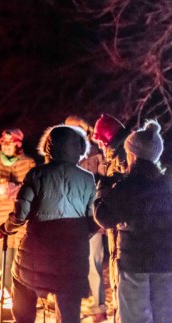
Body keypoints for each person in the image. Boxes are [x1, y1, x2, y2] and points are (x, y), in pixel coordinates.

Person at [0, 124, 96, 323]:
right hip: (72, 256)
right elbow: (92, 219)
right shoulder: (87, 179)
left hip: (37, 252)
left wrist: (5, 228)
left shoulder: (36, 174)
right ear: (78, 149)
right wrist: (77, 234)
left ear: (49, 147)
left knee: (22, 285)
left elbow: (20, 215)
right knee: (69, 310)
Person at [94, 120, 172, 323]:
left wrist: (102, 191)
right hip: (164, 262)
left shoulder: (127, 186)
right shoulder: (170, 187)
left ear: (132, 154)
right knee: (164, 317)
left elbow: (104, 217)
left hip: (133, 262)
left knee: (136, 317)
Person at [0, 128, 35, 294]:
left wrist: (18, 190)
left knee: (19, 261)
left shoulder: (28, 163)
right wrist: (1, 192)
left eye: (10, 143)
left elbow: (33, 189)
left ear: (17, 145)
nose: (6, 146)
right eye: (4, 143)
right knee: (3, 260)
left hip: (19, 218)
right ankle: (3, 295)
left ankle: (19, 297)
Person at [67, 115, 107, 322]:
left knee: (94, 261)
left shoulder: (96, 154)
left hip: (92, 214)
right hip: (69, 215)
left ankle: (98, 306)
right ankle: (69, 302)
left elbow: (106, 176)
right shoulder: (59, 155)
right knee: (70, 260)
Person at [91, 113, 130, 320]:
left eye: (100, 141)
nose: (99, 146)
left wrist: (103, 191)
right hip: (120, 231)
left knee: (125, 289)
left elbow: (123, 196)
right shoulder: (119, 153)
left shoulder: (122, 157)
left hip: (124, 232)